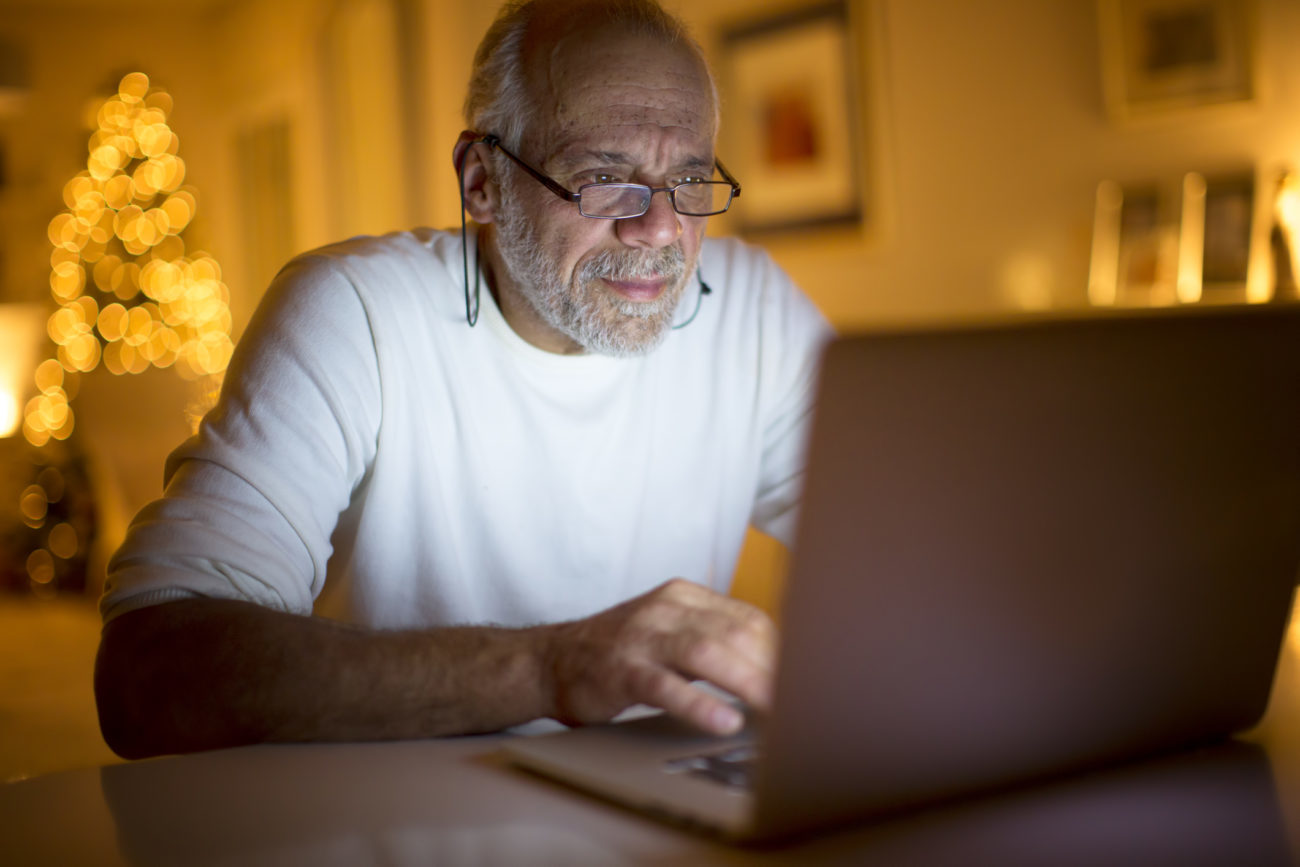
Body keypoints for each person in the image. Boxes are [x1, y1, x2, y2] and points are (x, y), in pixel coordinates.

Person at [94, 0, 830, 759]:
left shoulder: (752, 307)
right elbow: (149, 676)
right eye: (605, 177)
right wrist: (552, 668)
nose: (661, 230)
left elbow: (913, 545)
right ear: (482, 180)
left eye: (689, 178)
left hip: (669, 795)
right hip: (407, 820)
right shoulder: (356, 311)